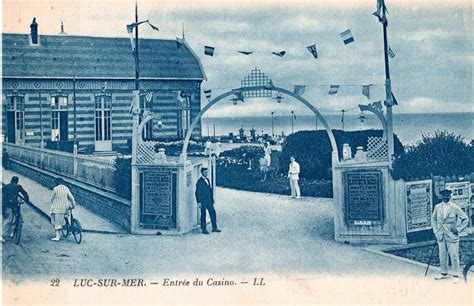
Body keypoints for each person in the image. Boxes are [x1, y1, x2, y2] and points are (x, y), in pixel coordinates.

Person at [431, 189, 469, 284]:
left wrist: (458, 229)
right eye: (443, 196)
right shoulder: (437, 207)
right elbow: (433, 219)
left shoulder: (454, 207)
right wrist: (435, 230)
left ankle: (456, 275)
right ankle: (443, 273)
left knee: (454, 255)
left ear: (450, 196)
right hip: (441, 235)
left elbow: (465, 219)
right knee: (442, 255)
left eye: (447, 196)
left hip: (452, 236)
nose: (445, 197)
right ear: (441, 197)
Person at [2, 176, 29, 242]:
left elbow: (3, 196)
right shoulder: (18, 186)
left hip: (7, 204)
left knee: (7, 219)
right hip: (15, 204)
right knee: (16, 217)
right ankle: (12, 232)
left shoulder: (5, 186)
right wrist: (26, 200)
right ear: (17, 181)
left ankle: (2, 235)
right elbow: (25, 193)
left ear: (11, 180)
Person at [195, 167, 220, 234]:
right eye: (205, 172)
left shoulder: (208, 180)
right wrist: (199, 202)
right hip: (203, 201)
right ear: (202, 173)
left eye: (207, 172)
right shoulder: (199, 182)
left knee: (213, 213)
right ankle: (204, 229)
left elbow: (210, 190)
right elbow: (197, 193)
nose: (206, 173)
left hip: (209, 200)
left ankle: (214, 227)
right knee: (203, 214)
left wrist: (212, 199)